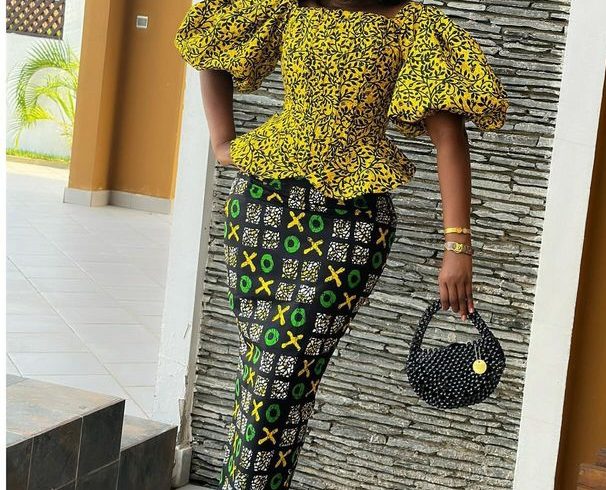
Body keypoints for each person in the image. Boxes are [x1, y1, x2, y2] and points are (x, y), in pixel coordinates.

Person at [173, 0, 509, 488]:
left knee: (281, 373)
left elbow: (449, 139)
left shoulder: (413, 24)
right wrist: (222, 142)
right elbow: (212, 43)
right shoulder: (287, 6)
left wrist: (458, 247)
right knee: (265, 375)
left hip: (350, 224)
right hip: (262, 206)